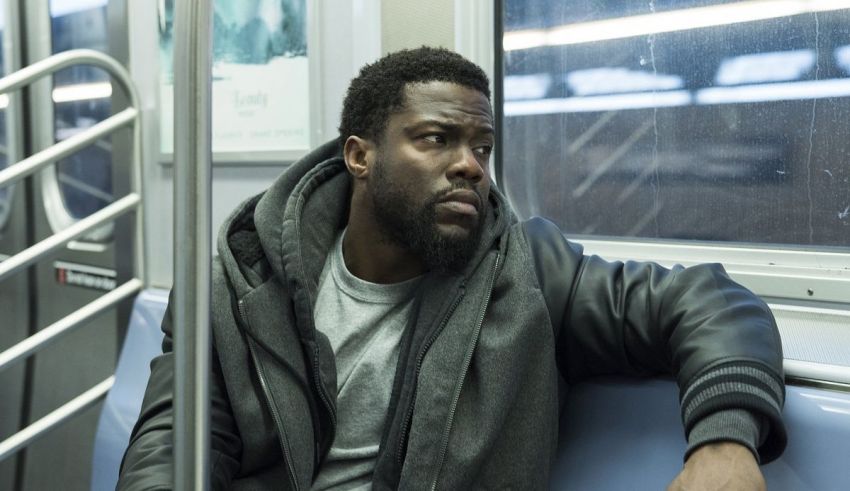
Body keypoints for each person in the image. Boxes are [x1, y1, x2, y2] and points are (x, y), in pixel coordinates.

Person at [118, 47, 786, 490]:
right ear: (361, 156)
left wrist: (725, 440)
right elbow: (175, 441)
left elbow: (712, 303)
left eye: (483, 145)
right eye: (437, 139)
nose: (470, 164)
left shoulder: (529, 274)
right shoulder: (236, 286)